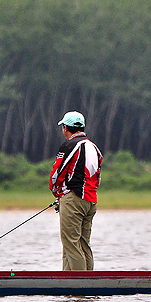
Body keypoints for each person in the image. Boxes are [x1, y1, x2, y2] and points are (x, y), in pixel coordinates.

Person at [49, 111, 102, 270]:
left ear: (65, 128)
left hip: (73, 200)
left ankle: (80, 287)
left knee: (71, 243)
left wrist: (55, 190)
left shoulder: (69, 145)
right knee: (83, 244)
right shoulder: (94, 147)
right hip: (91, 201)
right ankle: (74, 284)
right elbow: (97, 177)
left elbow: (57, 172)